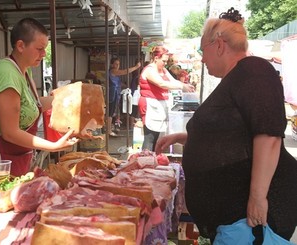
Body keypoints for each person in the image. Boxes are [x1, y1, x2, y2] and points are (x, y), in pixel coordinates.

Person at [155, 8, 297, 243]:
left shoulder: (254, 70)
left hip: (250, 221)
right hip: (233, 220)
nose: (202, 58)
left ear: (219, 45)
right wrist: (183, 137)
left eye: (203, 50)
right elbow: (229, 137)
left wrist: (258, 197)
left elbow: (269, 135)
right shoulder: (237, 79)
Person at [0, 18, 78, 193]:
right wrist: (53, 146)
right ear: (20, 45)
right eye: (39, 49)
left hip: (11, 155)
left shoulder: (24, 71)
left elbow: (34, 104)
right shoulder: (6, 74)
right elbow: (10, 132)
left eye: (45, 50)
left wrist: (69, 99)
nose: (43, 54)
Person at [138, 46, 194, 151]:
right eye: (163, 61)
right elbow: (161, 83)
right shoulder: (149, 70)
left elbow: (172, 81)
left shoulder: (163, 70)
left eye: (166, 61)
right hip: (150, 105)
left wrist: (184, 85)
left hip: (159, 104)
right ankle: (145, 160)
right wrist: (182, 86)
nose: (165, 63)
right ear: (156, 58)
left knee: (155, 136)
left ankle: (152, 159)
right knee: (150, 137)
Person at [108, 57, 141, 136]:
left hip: (116, 93)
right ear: (112, 64)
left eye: (118, 64)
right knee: (110, 113)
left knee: (113, 112)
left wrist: (126, 86)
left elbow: (119, 82)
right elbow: (125, 71)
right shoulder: (113, 71)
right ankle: (108, 130)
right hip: (113, 93)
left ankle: (111, 127)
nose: (117, 66)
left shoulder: (114, 72)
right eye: (116, 64)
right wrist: (136, 67)